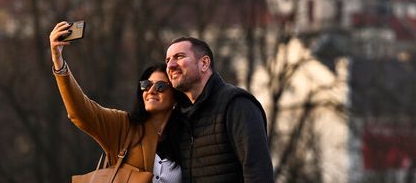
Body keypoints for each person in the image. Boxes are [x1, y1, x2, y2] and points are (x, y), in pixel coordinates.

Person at [49, 21, 189, 182]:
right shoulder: (123, 126)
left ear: (175, 96)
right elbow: (81, 112)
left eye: (160, 86)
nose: (151, 90)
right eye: (146, 85)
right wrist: (59, 63)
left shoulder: (186, 137)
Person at [165, 37, 275, 182]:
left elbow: (258, 171)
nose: (170, 65)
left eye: (179, 57)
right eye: (167, 60)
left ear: (204, 63)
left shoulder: (237, 104)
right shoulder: (180, 117)